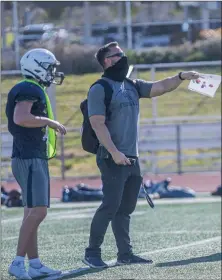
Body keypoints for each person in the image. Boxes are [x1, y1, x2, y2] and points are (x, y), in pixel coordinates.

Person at [83, 41, 200, 268]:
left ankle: (125, 254)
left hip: (131, 157)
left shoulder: (131, 84)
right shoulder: (99, 88)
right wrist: (115, 153)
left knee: (125, 208)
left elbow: (161, 86)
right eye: (118, 54)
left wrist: (182, 76)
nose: (123, 57)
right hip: (112, 157)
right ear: (107, 61)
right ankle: (92, 253)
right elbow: (97, 124)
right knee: (110, 205)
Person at [6, 48, 67, 279]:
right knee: (38, 212)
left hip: (31, 156)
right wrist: (49, 121)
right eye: (50, 68)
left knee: (31, 212)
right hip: (29, 157)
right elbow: (21, 118)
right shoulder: (29, 88)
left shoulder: (30, 88)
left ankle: (36, 264)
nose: (53, 73)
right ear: (37, 66)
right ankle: (18, 262)